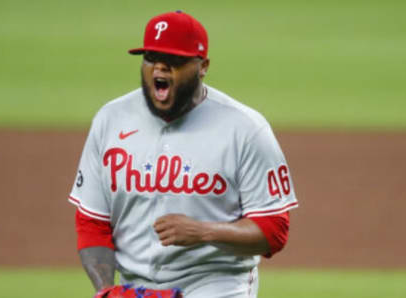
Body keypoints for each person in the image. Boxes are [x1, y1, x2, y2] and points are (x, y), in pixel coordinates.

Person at [68, 11, 298, 298]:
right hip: (135, 290)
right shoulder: (111, 119)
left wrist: (204, 232)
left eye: (174, 60)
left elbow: (273, 231)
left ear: (203, 66)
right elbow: (92, 221)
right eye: (151, 57)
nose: (160, 67)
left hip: (218, 284)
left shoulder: (245, 129)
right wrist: (106, 290)